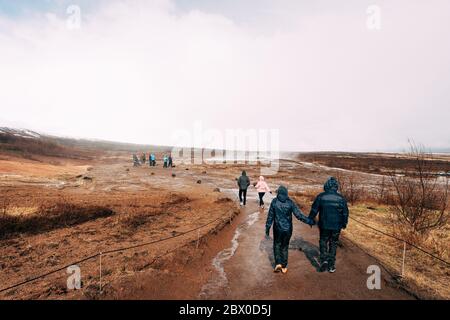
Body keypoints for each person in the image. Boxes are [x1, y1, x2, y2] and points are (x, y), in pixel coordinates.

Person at [266, 186, 314, 274]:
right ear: (286, 193)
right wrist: (309, 221)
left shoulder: (274, 202)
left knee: (277, 244)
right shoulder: (290, 202)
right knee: (284, 246)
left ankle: (278, 263)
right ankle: (284, 267)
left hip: (277, 228)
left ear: (278, 193)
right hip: (288, 229)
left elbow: (270, 216)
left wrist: (267, 227)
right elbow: (299, 215)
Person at [308, 177, 349, 273]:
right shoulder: (341, 198)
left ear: (326, 185)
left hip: (324, 225)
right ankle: (331, 265)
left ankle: (324, 260)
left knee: (323, 241)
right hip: (336, 226)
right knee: (333, 243)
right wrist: (344, 223)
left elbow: (314, 210)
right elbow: (345, 213)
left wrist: (310, 219)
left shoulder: (321, 196)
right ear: (336, 187)